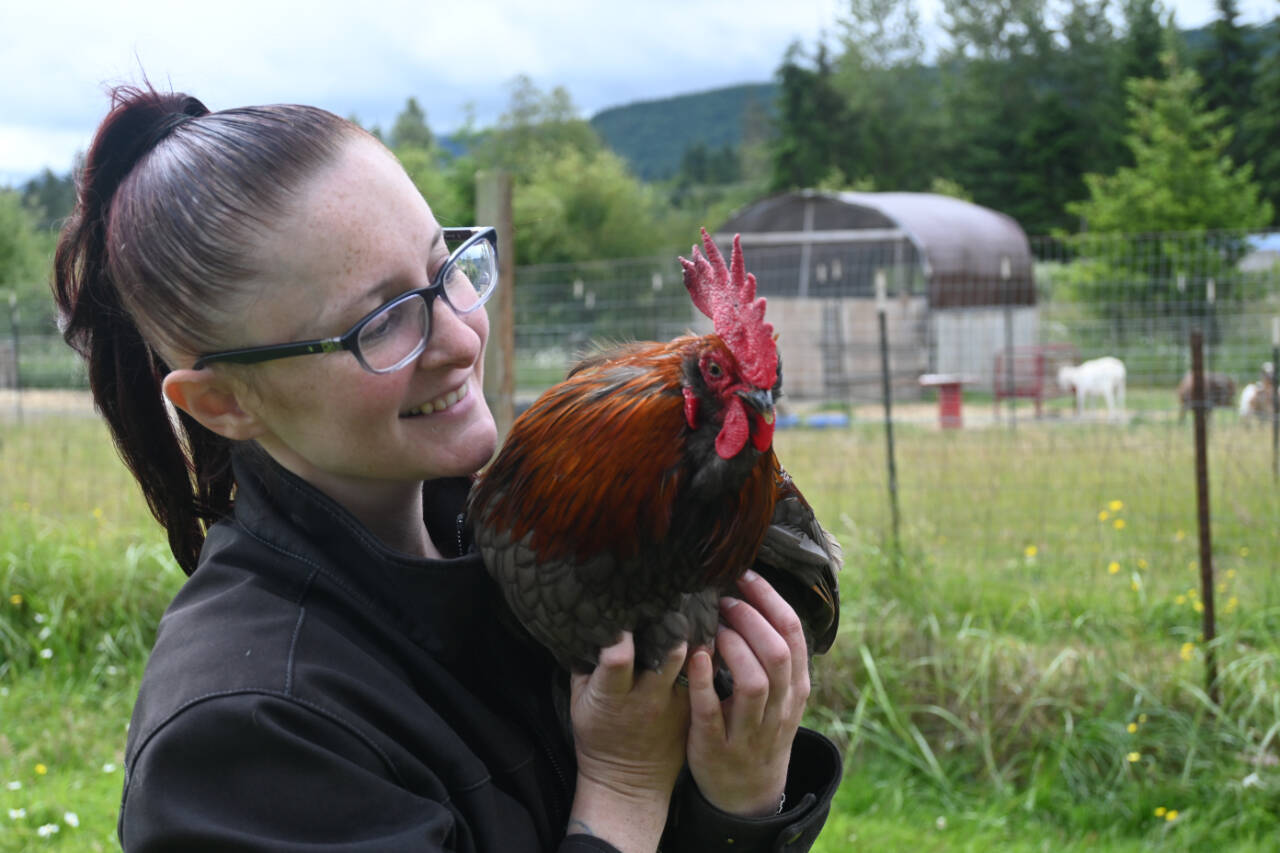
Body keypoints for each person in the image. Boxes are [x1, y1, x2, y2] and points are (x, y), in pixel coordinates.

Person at [53, 85, 842, 852]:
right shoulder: (244, 744)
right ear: (222, 402)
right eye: (383, 320)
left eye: (448, 267)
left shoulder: (519, 539)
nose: (463, 336)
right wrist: (625, 787)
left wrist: (738, 808)